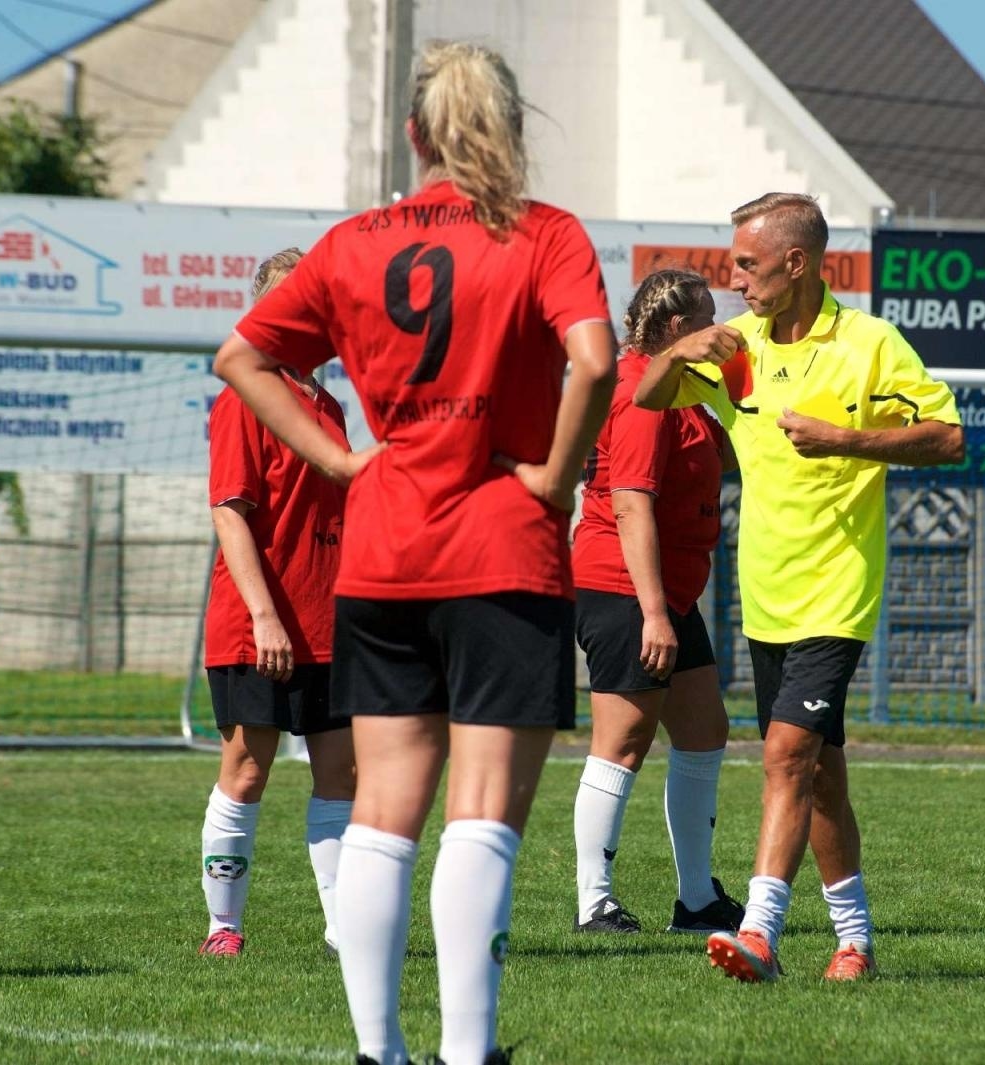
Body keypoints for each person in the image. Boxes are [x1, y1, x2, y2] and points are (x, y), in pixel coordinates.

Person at [213, 40, 615, 1065]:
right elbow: (596, 360)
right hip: (502, 546)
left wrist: (345, 461)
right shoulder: (544, 233)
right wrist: (559, 474)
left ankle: (376, 1051)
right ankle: (467, 1055)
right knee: (482, 816)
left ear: (413, 133)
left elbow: (241, 358)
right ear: (512, 129)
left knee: (383, 815)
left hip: (384, 550)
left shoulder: (349, 244)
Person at [635, 192, 965, 983]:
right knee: (818, 775)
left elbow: (950, 437)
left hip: (839, 590)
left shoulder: (871, 343)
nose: (736, 279)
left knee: (784, 756)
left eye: (748, 264)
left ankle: (758, 931)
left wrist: (848, 440)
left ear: (797, 262)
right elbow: (646, 398)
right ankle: (855, 941)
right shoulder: (736, 346)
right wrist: (678, 355)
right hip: (767, 592)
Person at [570, 268, 744, 936]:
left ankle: (696, 899)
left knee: (703, 730)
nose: (716, 327)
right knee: (623, 740)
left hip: (667, 590)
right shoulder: (640, 388)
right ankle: (594, 902)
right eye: (705, 317)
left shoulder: (676, 390)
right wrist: (651, 612)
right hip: (627, 588)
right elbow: (632, 500)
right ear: (676, 328)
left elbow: (711, 459)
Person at [196, 248, 355, 959]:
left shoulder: (330, 405)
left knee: (341, 772)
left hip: (328, 618)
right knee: (248, 768)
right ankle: (223, 927)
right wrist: (265, 615)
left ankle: (343, 928)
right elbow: (230, 513)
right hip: (257, 621)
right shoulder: (241, 397)